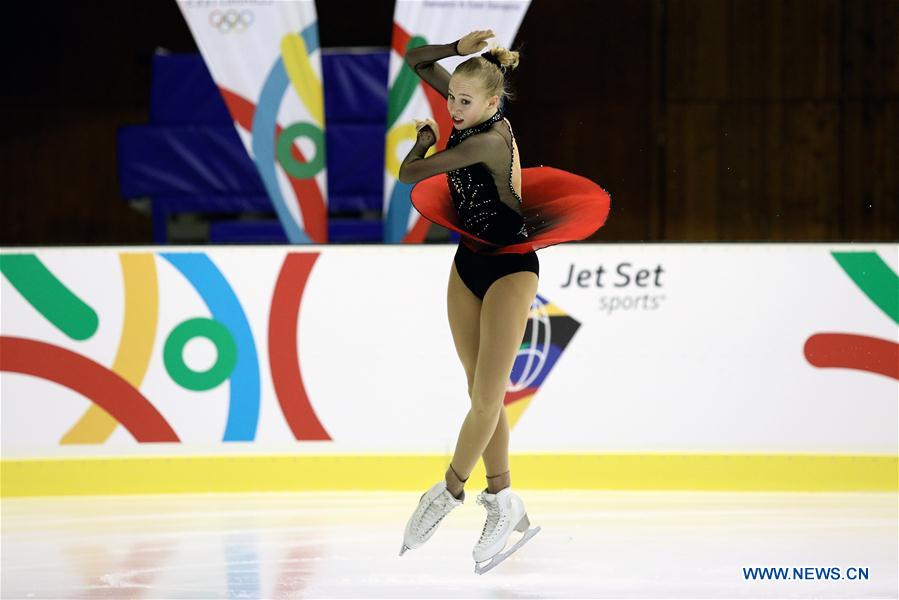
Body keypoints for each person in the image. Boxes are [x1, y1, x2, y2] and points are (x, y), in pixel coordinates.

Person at [396, 29, 610, 575]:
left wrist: (424, 142)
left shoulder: (488, 140)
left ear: (494, 102)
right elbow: (416, 59)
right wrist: (455, 50)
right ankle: (503, 497)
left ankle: (448, 491)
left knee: (488, 397)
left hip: (511, 268)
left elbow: (410, 173)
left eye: (464, 101)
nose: (454, 108)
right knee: (479, 393)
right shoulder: (469, 108)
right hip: (468, 261)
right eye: (450, 98)